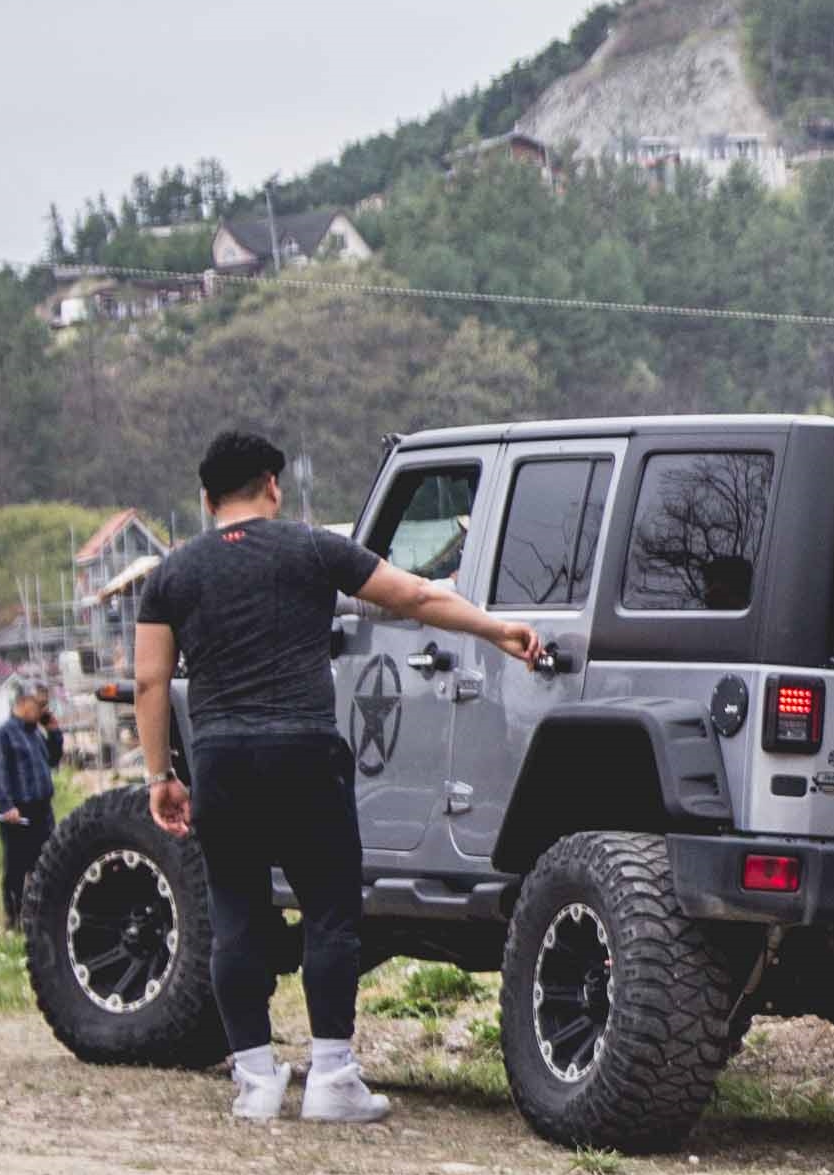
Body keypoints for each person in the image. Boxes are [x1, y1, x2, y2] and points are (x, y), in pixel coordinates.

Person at [132, 429, 552, 1127]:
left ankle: (256, 1080)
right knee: (329, 911)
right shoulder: (311, 547)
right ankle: (331, 1075)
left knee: (235, 912)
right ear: (273, 486)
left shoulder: (173, 574)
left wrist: (159, 776)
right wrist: (497, 630)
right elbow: (415, 596)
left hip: (221, 757)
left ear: (206, 500)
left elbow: (150, 680)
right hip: (303, 751)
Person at [0, 685, 62, 932]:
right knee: (17, 867)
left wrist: (54, 732)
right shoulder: (3, 734)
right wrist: (6, 805)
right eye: (39, 705)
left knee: (46, 862)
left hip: (42, 810)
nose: (42, 711)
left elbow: (53, 759)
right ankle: (13, 917)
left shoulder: (35, 733)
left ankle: (41, 915)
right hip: (19, 811)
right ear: (23, 703)